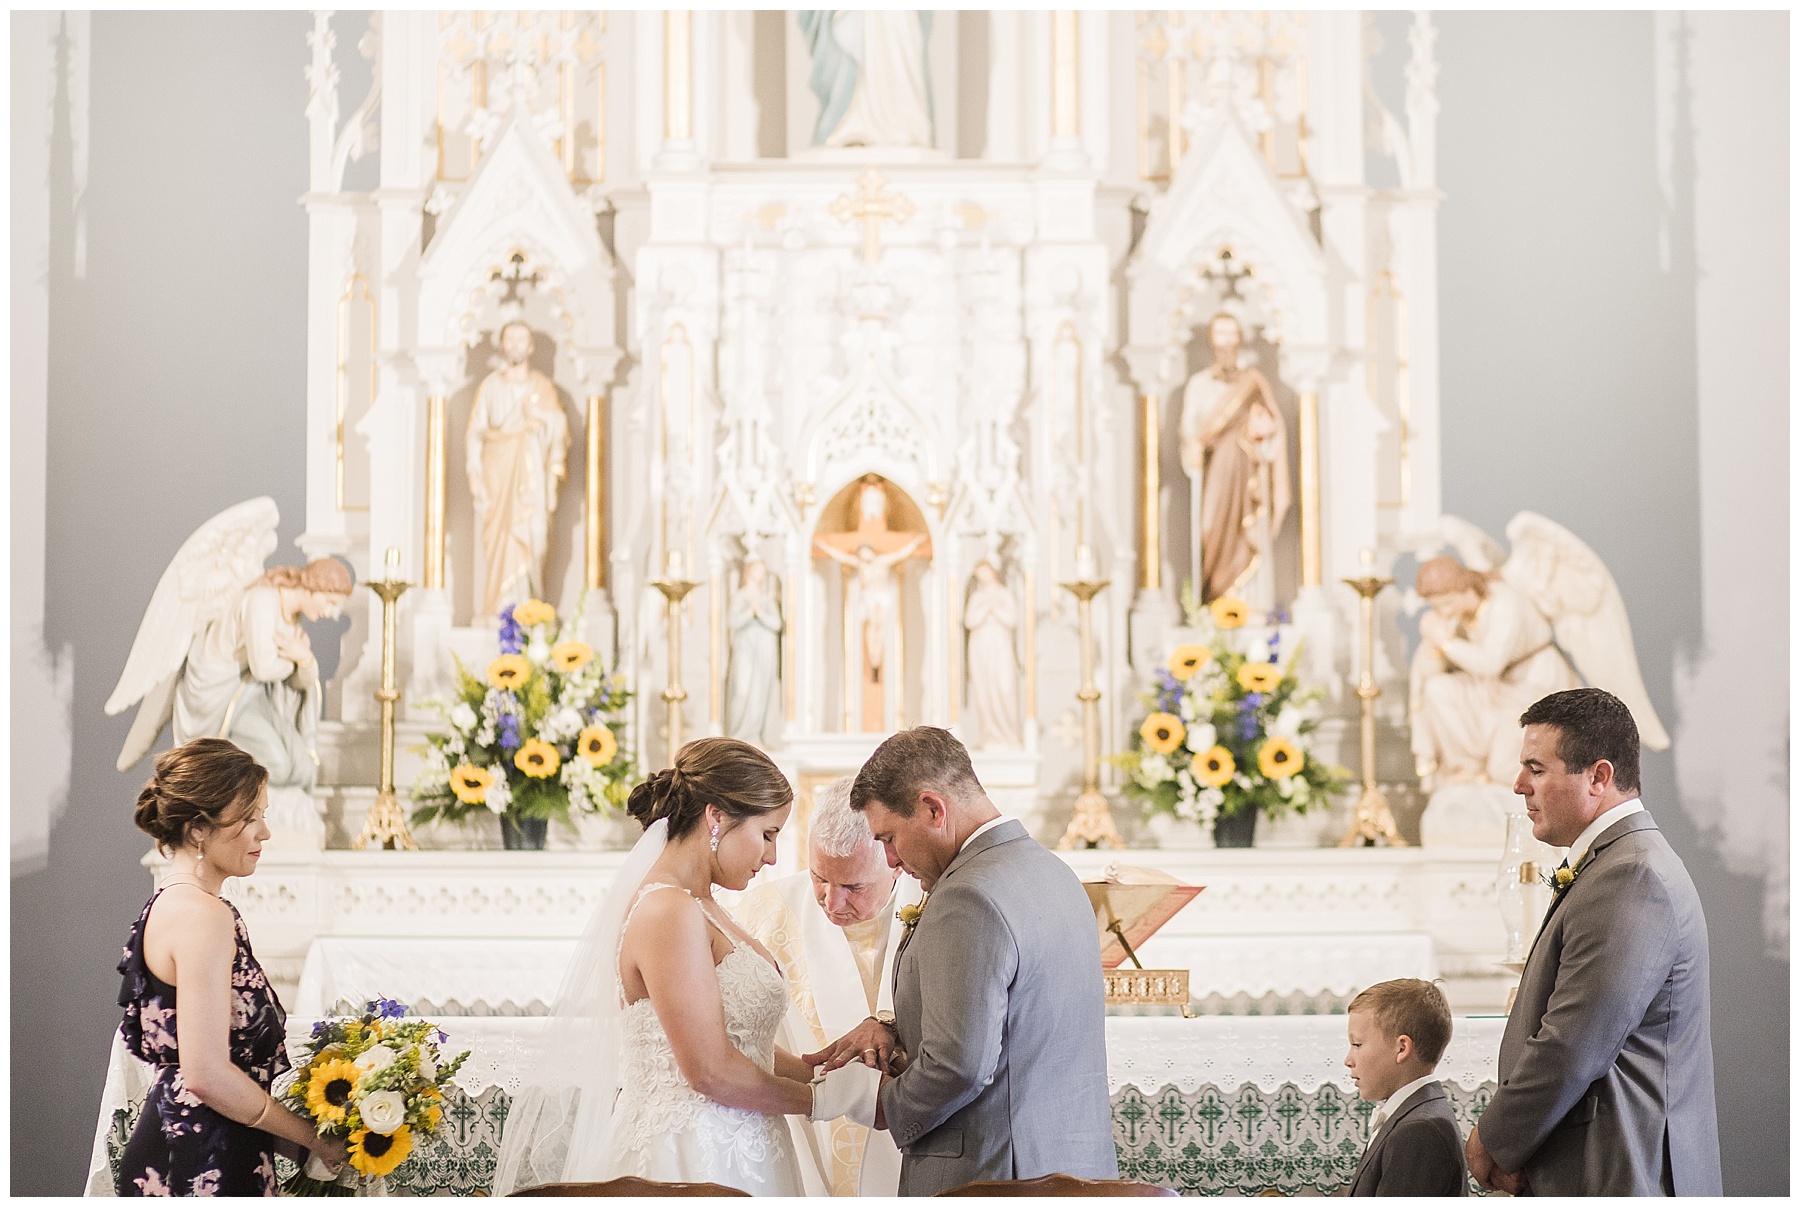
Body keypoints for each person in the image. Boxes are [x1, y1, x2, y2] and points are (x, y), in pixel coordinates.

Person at [493, 738, 878, 1195]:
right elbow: (709, 1069)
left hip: (742, 1142)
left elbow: (738, 1040)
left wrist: (825, 1070)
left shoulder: (705, 904)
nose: (772, 857)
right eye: (768, 834)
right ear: (716, 817)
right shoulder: (667, 910)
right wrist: (826, 1099)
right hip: (690, 1153)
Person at [809, 727, 1116, 1196]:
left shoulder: (967, 895)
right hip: (1072, 1165)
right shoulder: (1052, 870)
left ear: (934, 808)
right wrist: (892, 1026)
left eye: (889, 837)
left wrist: (884, 1104)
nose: (890, 859)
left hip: (991, 1175)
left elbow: (960, 1065)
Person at [1466, 689, 1721, 1195]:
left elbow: (1572, 1045)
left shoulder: (1632, 876)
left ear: (1598, 777)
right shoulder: (1617, 863)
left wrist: (1492, 1140)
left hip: (1622, 1168)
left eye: (1536, 769)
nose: (1519, 785)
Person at [116, 739, 348, 1195]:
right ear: (199, 829)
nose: (264, 833)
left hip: (197, 1146)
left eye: (263, 815)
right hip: (203, 1164)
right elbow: (206, 1075)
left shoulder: (175, 903)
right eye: (249, 818)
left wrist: (299, 1148)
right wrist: (313, 1139)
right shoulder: (202, 915)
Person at [735, 776, 923, 1195]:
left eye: (853, 886)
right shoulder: (764, 914)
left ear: (894, 860)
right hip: (799, 1141)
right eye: (820, 877)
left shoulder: (939, 906)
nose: (830, 902)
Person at [466, 319, 570, 620]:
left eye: (521, 339)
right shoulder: (490, 387)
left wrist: (541, 415)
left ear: (531, 346)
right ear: (501, 344)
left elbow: (560, 428)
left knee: (534, 536)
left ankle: (528, 607)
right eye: (509, 339)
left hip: (532, 477)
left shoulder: (542, 388)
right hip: (497, 474)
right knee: (500, 539)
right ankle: (498, 609)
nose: (514, 345)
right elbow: (475, 432)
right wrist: (474, 470)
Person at [1342, 978, 1468, 1196]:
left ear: (1402, 1048)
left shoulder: (1420, 1130)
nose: (1348, 1060)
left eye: (1357, 1045)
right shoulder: (1414, 1115)